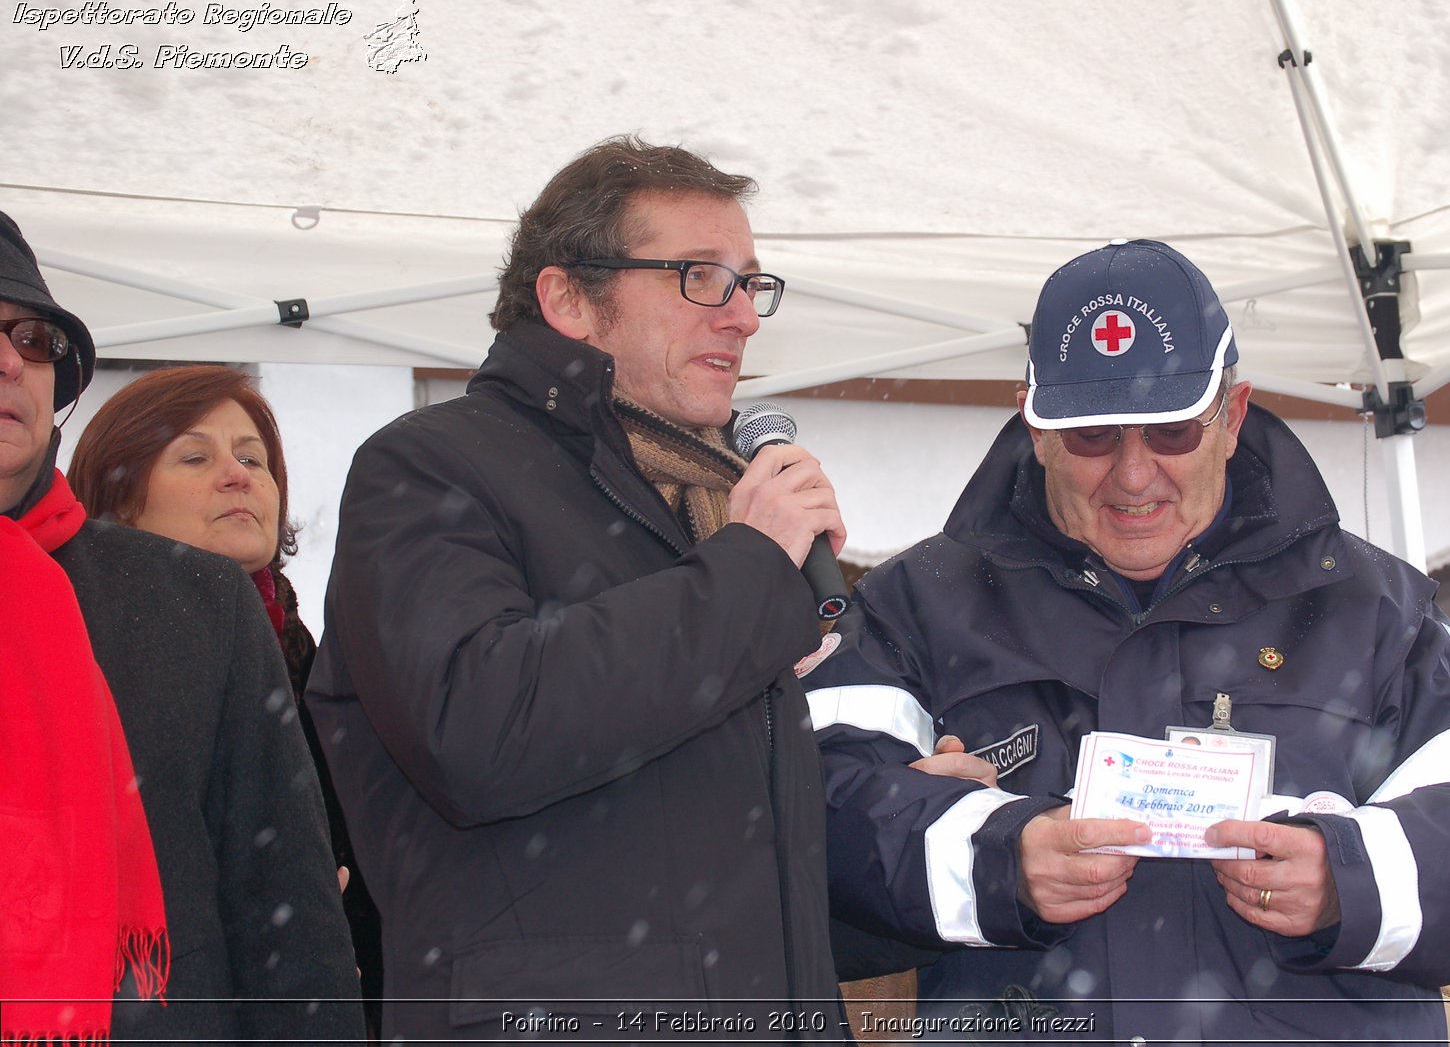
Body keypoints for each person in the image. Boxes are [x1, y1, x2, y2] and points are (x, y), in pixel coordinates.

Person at [801, 239, 1450, 1043]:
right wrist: (993, 855)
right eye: (1093, 436)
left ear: (1231, 415)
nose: (1134, 475)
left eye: (1170, 431)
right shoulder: (918, 605)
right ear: (1036, 426)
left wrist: (1349, 876)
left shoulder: (1371, 608)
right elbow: (801, 817)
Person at [306, 135, 852, 1042]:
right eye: (700, 277)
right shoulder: (431, 466)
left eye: (749, 282)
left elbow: (739, 866)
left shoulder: (707, 507)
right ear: (567, 298)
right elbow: (478, 729)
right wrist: (752, 569)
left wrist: (938, 837)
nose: (743, 317)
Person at [0, 211, 363, 1042]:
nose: (8, 359)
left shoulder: (196, 602)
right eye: (195, 457)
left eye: (31, 337)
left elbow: (287, 913)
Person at [66, 364, 384, 1036]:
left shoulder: (323, 663)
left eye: (253, 458)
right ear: (119, 500)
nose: (239, 475)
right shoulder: (79, 661)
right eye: (194, 455)